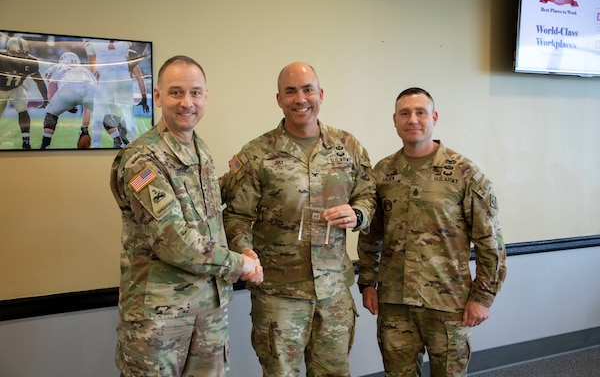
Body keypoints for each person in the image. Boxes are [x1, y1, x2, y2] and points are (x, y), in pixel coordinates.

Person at [110, 55, 263, 377]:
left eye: (195, 93)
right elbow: (174, 241)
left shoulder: (200, 151)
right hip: (160, 319)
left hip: (209, 312)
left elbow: (206, 215)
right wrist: (241, 264)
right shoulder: (142, 160)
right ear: (158, 96)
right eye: (176, 92)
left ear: (206, 96)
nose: (186, 103)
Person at [221, 62, 376, 376]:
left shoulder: (347, 147)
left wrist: (358, 214)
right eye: (290, 91)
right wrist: (244, 250)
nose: (300, 98)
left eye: (307, 90)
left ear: (320, 94)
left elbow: (369, 194)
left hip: (333, 292)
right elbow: (236, 215)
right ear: (279, 99)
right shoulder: (256, 154)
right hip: (280, 295)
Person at [357, 87, 507, 377]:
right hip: (395, 302)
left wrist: (483, 297)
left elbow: (490, 243)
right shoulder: (383, 173)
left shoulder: (464, 173)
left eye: (420, 112)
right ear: (395, 120)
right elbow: (370, 235)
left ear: (434, 117)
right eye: (405, 113)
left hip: (448, 303)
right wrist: (367, 283)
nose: (413, 119)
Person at [0, 36, 49, 149]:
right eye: (18, 54)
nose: (22, 58)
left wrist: (45, 98)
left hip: (16, 88)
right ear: (9, 52)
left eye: (24, 54)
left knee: (22, 108)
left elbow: (39, 81)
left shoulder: (31, 62)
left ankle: (26, 142)